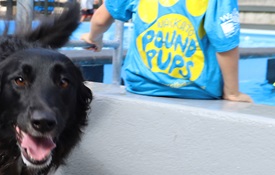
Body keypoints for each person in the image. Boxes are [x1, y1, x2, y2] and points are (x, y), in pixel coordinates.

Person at [80, 0, 253, 102]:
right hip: (197, 90)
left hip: (142, 85)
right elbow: (225, 41)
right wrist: (232, 92)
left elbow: (101, 19)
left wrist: (94, 38)